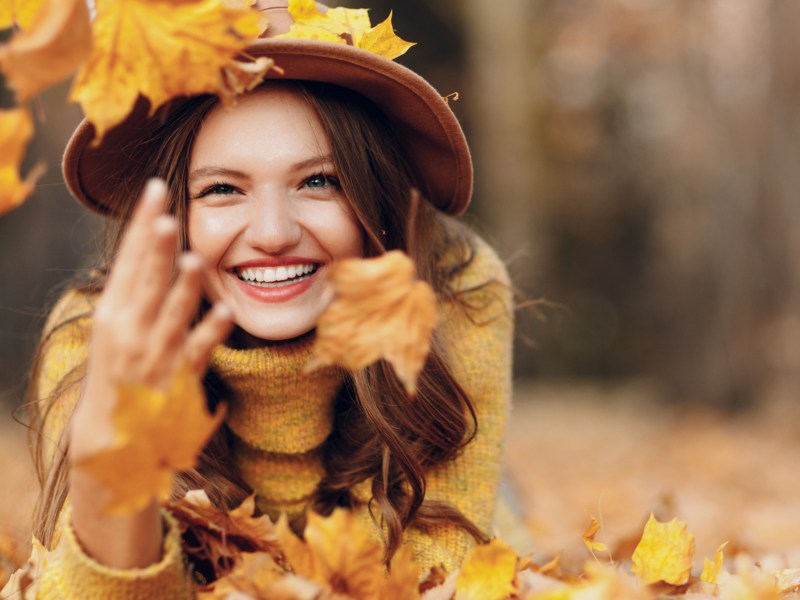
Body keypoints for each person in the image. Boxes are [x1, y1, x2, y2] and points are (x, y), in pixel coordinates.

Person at [16, 1, 513, 596]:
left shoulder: (453, 294)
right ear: (173, 213)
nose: (273, 233)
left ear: (371, 196)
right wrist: (116, 486)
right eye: (222, 188)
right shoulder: (94, 335)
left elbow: (439, 574)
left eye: (319, 181)